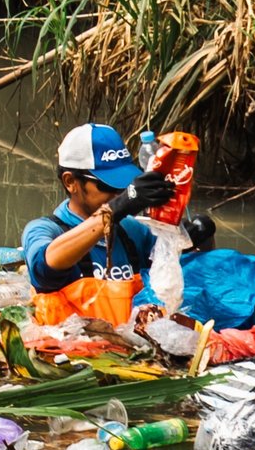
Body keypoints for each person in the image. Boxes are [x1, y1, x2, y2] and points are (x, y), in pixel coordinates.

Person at [22, 122, 175, 326]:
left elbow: (170, 270)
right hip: (72, 350)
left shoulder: (131, 230)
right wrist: (115, 209)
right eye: (107, 185)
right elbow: (45, 267)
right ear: (70, 182)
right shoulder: (44, 229)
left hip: (130, 349)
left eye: (123, 184)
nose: (117, 193)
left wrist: (185, 233)